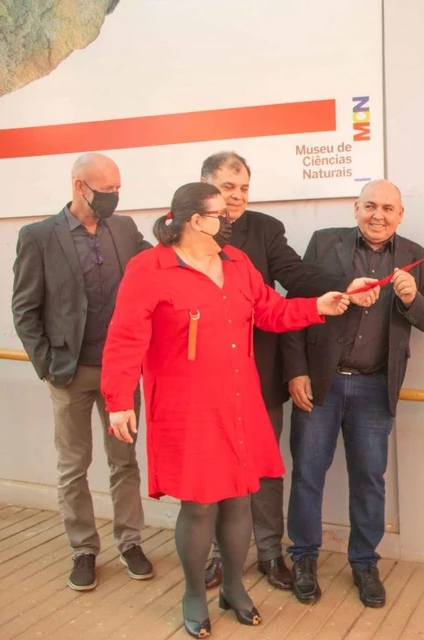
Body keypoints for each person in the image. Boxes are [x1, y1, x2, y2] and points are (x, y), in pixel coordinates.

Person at [100, 182, 350, 638]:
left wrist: (318, 305)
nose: (231, 219)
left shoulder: (237, 263)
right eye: (221, 214)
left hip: (240, 399)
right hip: (187, 407)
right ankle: (194, 594)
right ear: (196, 221)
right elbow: (124, 337)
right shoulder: (150, 268)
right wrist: (118, 402)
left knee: (239, 499)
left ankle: (234, 588)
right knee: (199, 506)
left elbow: (271, 312)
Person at [198, 151, 381, 591]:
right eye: (227, 187)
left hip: (259, 369)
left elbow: (296, 275)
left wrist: (342, 288)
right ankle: (221, 555)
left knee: (265, 468)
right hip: (207, 374)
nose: (237, 196)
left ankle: (268, 553)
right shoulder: (186, 233)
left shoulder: (266, 229)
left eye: (244, 188)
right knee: (217, 467)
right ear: (205, 188)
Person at [279, 179, 424, 608]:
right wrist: (295, 371)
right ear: (356, 208)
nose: (378, 215)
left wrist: (412, 299)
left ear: (400, 215)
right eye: (370, 206)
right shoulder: (324, 243)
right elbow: (295, 305)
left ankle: (365, 563)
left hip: (374, 387)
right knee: (307, 474)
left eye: (388, 208)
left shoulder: (416, 257)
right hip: (321, 383)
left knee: (370, 478)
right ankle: (303, 558)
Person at [10, 152, 153, 591]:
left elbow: (156, 270)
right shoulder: (38, 236)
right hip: (69, 373)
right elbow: (25, 309)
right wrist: (47, 366)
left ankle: (130, 542)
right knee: (73, 466)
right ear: (79, 186)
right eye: (106, 190)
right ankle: (83, 549)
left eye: (117, 189)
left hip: (121, 374)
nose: (114, 197)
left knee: (124, 462)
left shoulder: (124, 229)